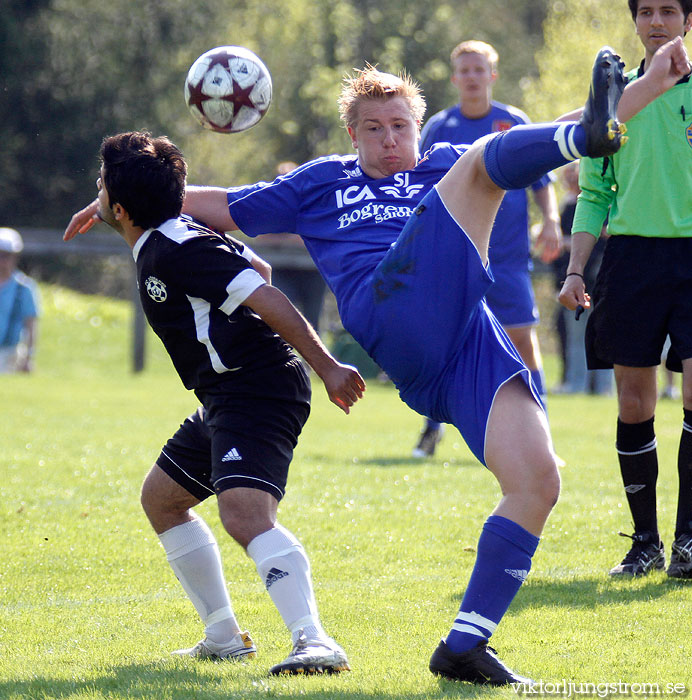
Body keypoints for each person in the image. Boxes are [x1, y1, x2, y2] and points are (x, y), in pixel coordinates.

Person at [66, 43, 687, 684]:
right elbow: (221, 204)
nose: (389, 140)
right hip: (389, 309)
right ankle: (585, 134)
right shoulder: (321, 183)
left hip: (465, 339)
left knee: (537, 483)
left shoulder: (440, 165)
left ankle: (465, 645)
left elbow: (578, 125)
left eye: (400, 127)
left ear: (418, 128)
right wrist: (123, 199)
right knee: (483, 161)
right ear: (352, 133)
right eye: (374, 129)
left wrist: (653, 85)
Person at [64, 132, 366, 675]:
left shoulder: (178, 248)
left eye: (101, 184)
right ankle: (223, 635)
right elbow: (261, 271)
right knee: (162, 499)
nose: (98, 190)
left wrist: (328, 367)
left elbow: (267, 292)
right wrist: (105, 202)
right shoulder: (174, 234)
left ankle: (315, 641)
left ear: (124, 207)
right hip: (227, 391)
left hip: (258, 389)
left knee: (246, 515)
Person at [559, 0, 692, 579]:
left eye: (670, 10)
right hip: (631, 260)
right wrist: (573, 271)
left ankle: (688, 543)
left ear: (688, 20)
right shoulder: (613, 102)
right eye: (647, 12)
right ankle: (645, 544)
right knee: (634, 404)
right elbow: (594, 195)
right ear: (635, 21)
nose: (657, 21)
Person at [411, 40, 561, 458]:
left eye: (480, 69)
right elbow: (420, 189)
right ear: (455, 77)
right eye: (465, 70)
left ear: (492, 75)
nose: (472, 77)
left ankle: (541, 437)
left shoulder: (512, 122)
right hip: (455, 256)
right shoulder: (439, 129)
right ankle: (431, 428)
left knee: (524, 344)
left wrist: (550, 220)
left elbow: (541, 181)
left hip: (508, 258)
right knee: (443, 345)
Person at [553, 162, 613, 395]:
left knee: (604, 335)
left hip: (600, 276)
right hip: (574, 277)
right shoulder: (567, 206)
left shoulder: (604, 203)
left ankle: (603, 388)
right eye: (567, 175)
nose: (570, 179)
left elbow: (606, 232)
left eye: (573, 174)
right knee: (576, 336)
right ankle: (576, 383)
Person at [258, 162, 328, 334]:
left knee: (312, 321)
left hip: (311, 270)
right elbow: (261, 237)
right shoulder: (269, 206)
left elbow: (318, 236)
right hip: (281, 269)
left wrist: (282, 239)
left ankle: (315, 360)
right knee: (279, 319)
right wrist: (292, 238)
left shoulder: (314, 205)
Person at [0, 227, 39, 373]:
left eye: (6, 256)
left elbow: (31, 325)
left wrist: (28, 357)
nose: (2, 261)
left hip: (10, 352)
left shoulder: (23, 288)